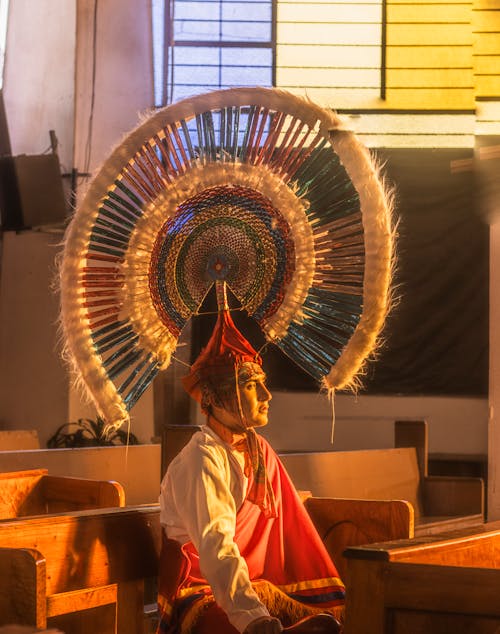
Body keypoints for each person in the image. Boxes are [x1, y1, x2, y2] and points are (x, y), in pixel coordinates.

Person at [157, 302, 345, 634]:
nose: (266, 394)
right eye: (249, 384)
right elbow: (216, 546)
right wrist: (252, 617)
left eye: (263, 382)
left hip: (254, 585)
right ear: (213, 398)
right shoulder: (202, 460)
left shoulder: (257, 450)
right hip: (201, 595)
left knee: (328, 624)